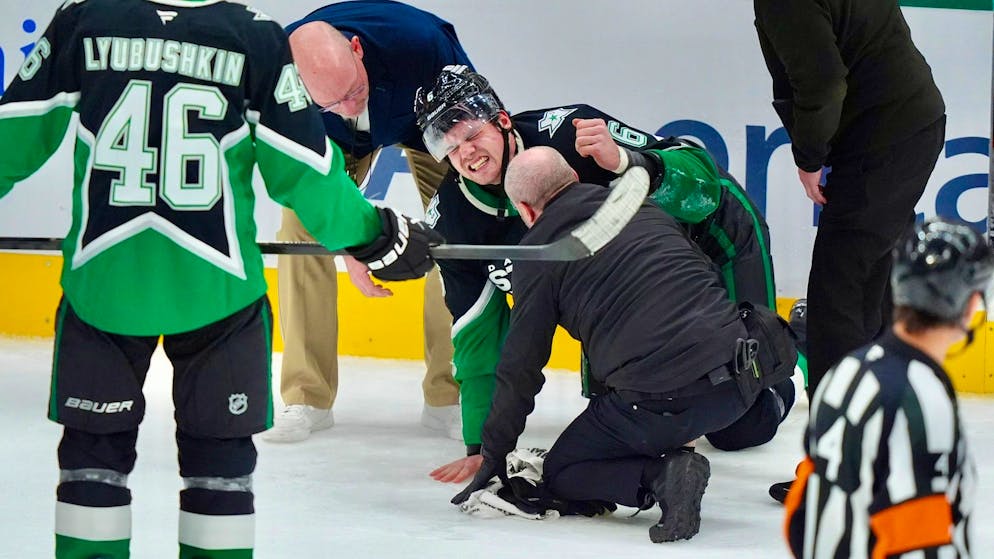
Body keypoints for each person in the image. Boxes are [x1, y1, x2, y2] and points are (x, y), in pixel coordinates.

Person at [0, 1, 438, 556]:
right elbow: (301, 168)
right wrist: (373, 232)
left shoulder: (83, 20)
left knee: (92, 467)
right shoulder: (253, 36)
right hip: (220, 290)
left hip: (105, 285)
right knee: (220, 473)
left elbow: (12, 136)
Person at [414, 66, 795, 482]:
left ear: (503, 120)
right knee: (621, 416)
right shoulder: (452, 217)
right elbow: (478, 336)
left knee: (740, 426)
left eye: (472, 135)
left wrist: (629, 161)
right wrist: (481, 446)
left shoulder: (571, 132)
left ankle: (788, 353)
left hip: (712, 235)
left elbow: (702, 181)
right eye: (450, 148)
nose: (466, 154)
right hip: (622, 293)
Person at [452, 147, 756, 542]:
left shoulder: (540, 255)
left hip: (662, 401)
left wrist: (494, 455)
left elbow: (520, 369)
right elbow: (704, 279)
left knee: (564, 471)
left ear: (525, 212)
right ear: (575, 179)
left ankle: (663, 476)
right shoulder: (645, 210)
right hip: (740, 383)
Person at [754, 0, 946, 501]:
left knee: (837, 305)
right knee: (868, 292)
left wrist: (810, 156)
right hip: (904, 126)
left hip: (883, 137)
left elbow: (822, 82)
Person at [265, 0, 474, 443]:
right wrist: (357, 242)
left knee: (457, 228)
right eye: (331, 100)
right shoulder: (277, 73)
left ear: (357, 49)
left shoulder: (425, 46)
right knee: (299, 230)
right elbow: (302, 180)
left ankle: (450, 394)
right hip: (329, 146)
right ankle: (307, 396)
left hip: (425, 122)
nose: (346, 106)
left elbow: (471, 129)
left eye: (353, 91)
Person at [784, 217, 991, 558]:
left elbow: (801, 515)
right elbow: (920, 544)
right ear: (970, 307)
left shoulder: (847, 370)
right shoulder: (921, 400)